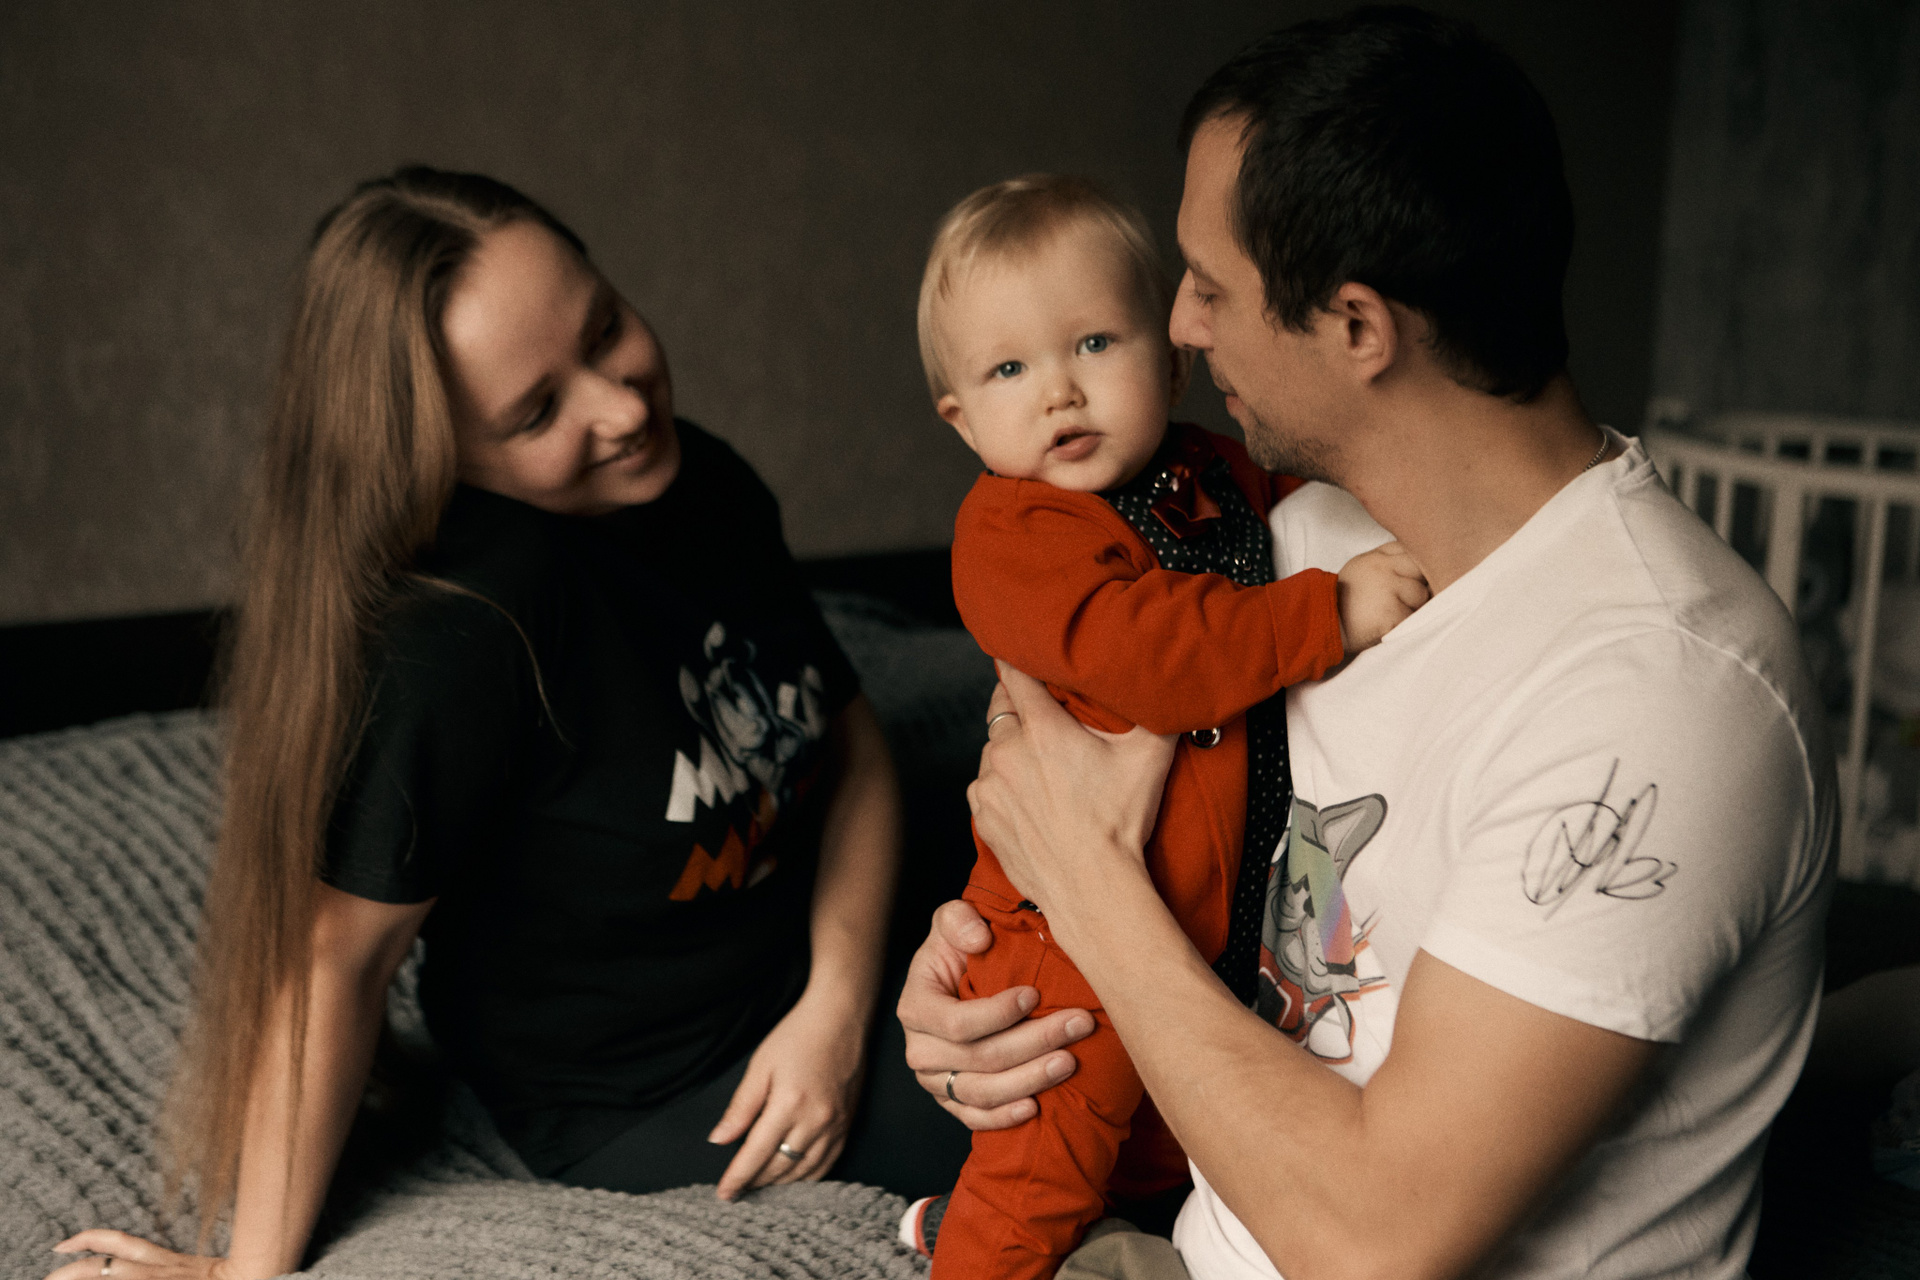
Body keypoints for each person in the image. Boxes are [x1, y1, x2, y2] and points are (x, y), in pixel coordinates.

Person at [900, 9, 1836, 1280]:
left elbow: (1375, 1240)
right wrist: (975, 978)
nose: (1179, 326)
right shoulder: (1283, 545)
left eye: (1210, 286)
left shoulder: (1667, 691)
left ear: (1356, 327)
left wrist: (1084, 885)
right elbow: (1082, 767)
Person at [48, 167, 966, 1280]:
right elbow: (339, 963)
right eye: (536, 413)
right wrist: (249, 1271)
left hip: (824, 975)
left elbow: (850, 747)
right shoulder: (464, 631)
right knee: (1098, 1111)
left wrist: (837, 1004)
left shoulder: (701, 483)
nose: (622, 408)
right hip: (659, 1085)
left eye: (606, 328)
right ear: (441, 459)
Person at [902, 173, 1426, 1279]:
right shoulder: (1012, 531)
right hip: (1064, 936)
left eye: (1095, 343)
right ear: (961, 418)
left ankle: (981, 1227)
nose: (1060, 391)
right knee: (1050, 1151)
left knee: (1164, 1141)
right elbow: (1153, 656)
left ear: (1172, 360)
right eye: (1008, 370)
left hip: (1210, 916)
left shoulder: (1214, 471)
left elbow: (1308, 507)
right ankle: (977, 1253)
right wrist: (1329, 610)